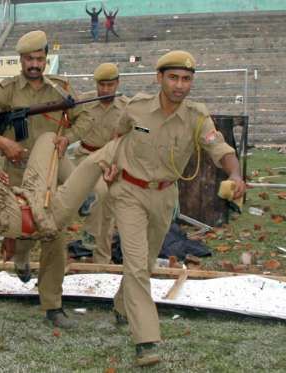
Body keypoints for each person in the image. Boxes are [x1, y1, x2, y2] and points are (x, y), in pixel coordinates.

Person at [107, 50, 246, 366]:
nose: (180, 85)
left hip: (165, 197)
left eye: (186, 79)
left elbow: (219, 148)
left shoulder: (197, 117)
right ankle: (146, 341)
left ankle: (121, 305)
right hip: (129, 192)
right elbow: (116, 135)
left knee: (146, 263)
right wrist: (110, 163)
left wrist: (235, 173)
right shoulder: (137, 107)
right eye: (173, 78)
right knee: (137, 260)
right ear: (159, 78)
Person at [0, 30, 93, 328]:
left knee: (55, 235)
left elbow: (85, 118)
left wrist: (68, 140)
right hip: (18, 175)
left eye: (39, 59)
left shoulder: (59, 90)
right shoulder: (7, 91)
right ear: (21, 60)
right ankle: (21, 261)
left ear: (46, 59)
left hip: (50, 177)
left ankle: (52, 304)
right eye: (29, 59)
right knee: (23, 233)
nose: (34, 64)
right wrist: (5, 145)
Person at [0, 132, 118, 244]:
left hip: (31, 197)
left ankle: (82, 198)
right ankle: (133, 138)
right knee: (95, 160)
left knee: (49, 138)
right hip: (46, 214)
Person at [71, 63, 128, 264]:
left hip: (111, 161)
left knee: (106, 209)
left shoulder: (126, 107)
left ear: (117, 83)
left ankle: (102, 259)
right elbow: (65, 122)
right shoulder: (84, 103)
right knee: (101, 194)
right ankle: (89, 234)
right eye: (101, 85)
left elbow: (143, 130)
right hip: (85, 157)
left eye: (110, 85)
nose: (105, 90)